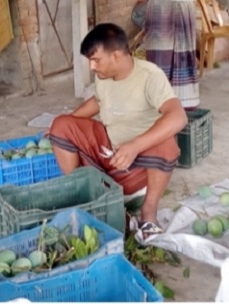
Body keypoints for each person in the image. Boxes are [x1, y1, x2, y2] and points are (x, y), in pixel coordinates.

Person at [48, 23, 188, 237]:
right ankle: (89, 194)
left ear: (116, 56)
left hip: (139, 165)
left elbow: (178, 116)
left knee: (167, 143)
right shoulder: (104, 76)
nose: (92, 67)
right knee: (60, 124)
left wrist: (134, 146)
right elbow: (99, 101)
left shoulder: (150, 76)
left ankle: (148, 212)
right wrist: (69, 124)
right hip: (109, 154)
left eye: (96, 60)